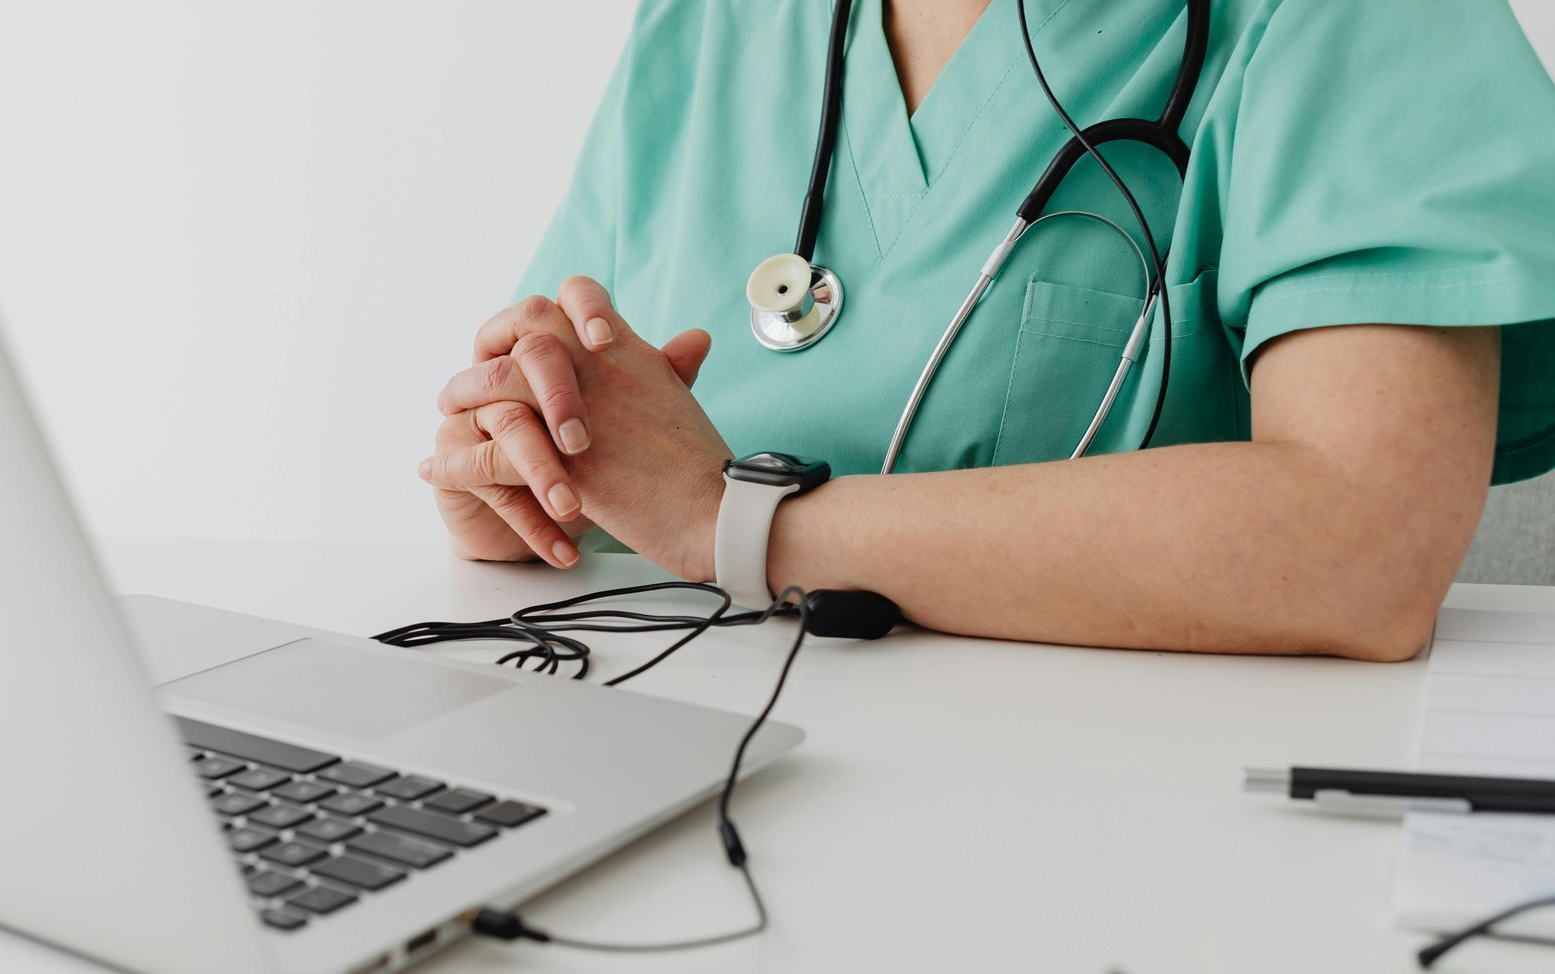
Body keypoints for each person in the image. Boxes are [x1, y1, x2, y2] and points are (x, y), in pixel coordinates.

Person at [417, 0, 1555, 660]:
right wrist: (527, 488)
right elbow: (594, 425)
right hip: (683, 804)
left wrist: (736, 521)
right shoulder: (718, 24)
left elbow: (1359, 546)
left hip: (1125, 861)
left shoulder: (1358, 21)